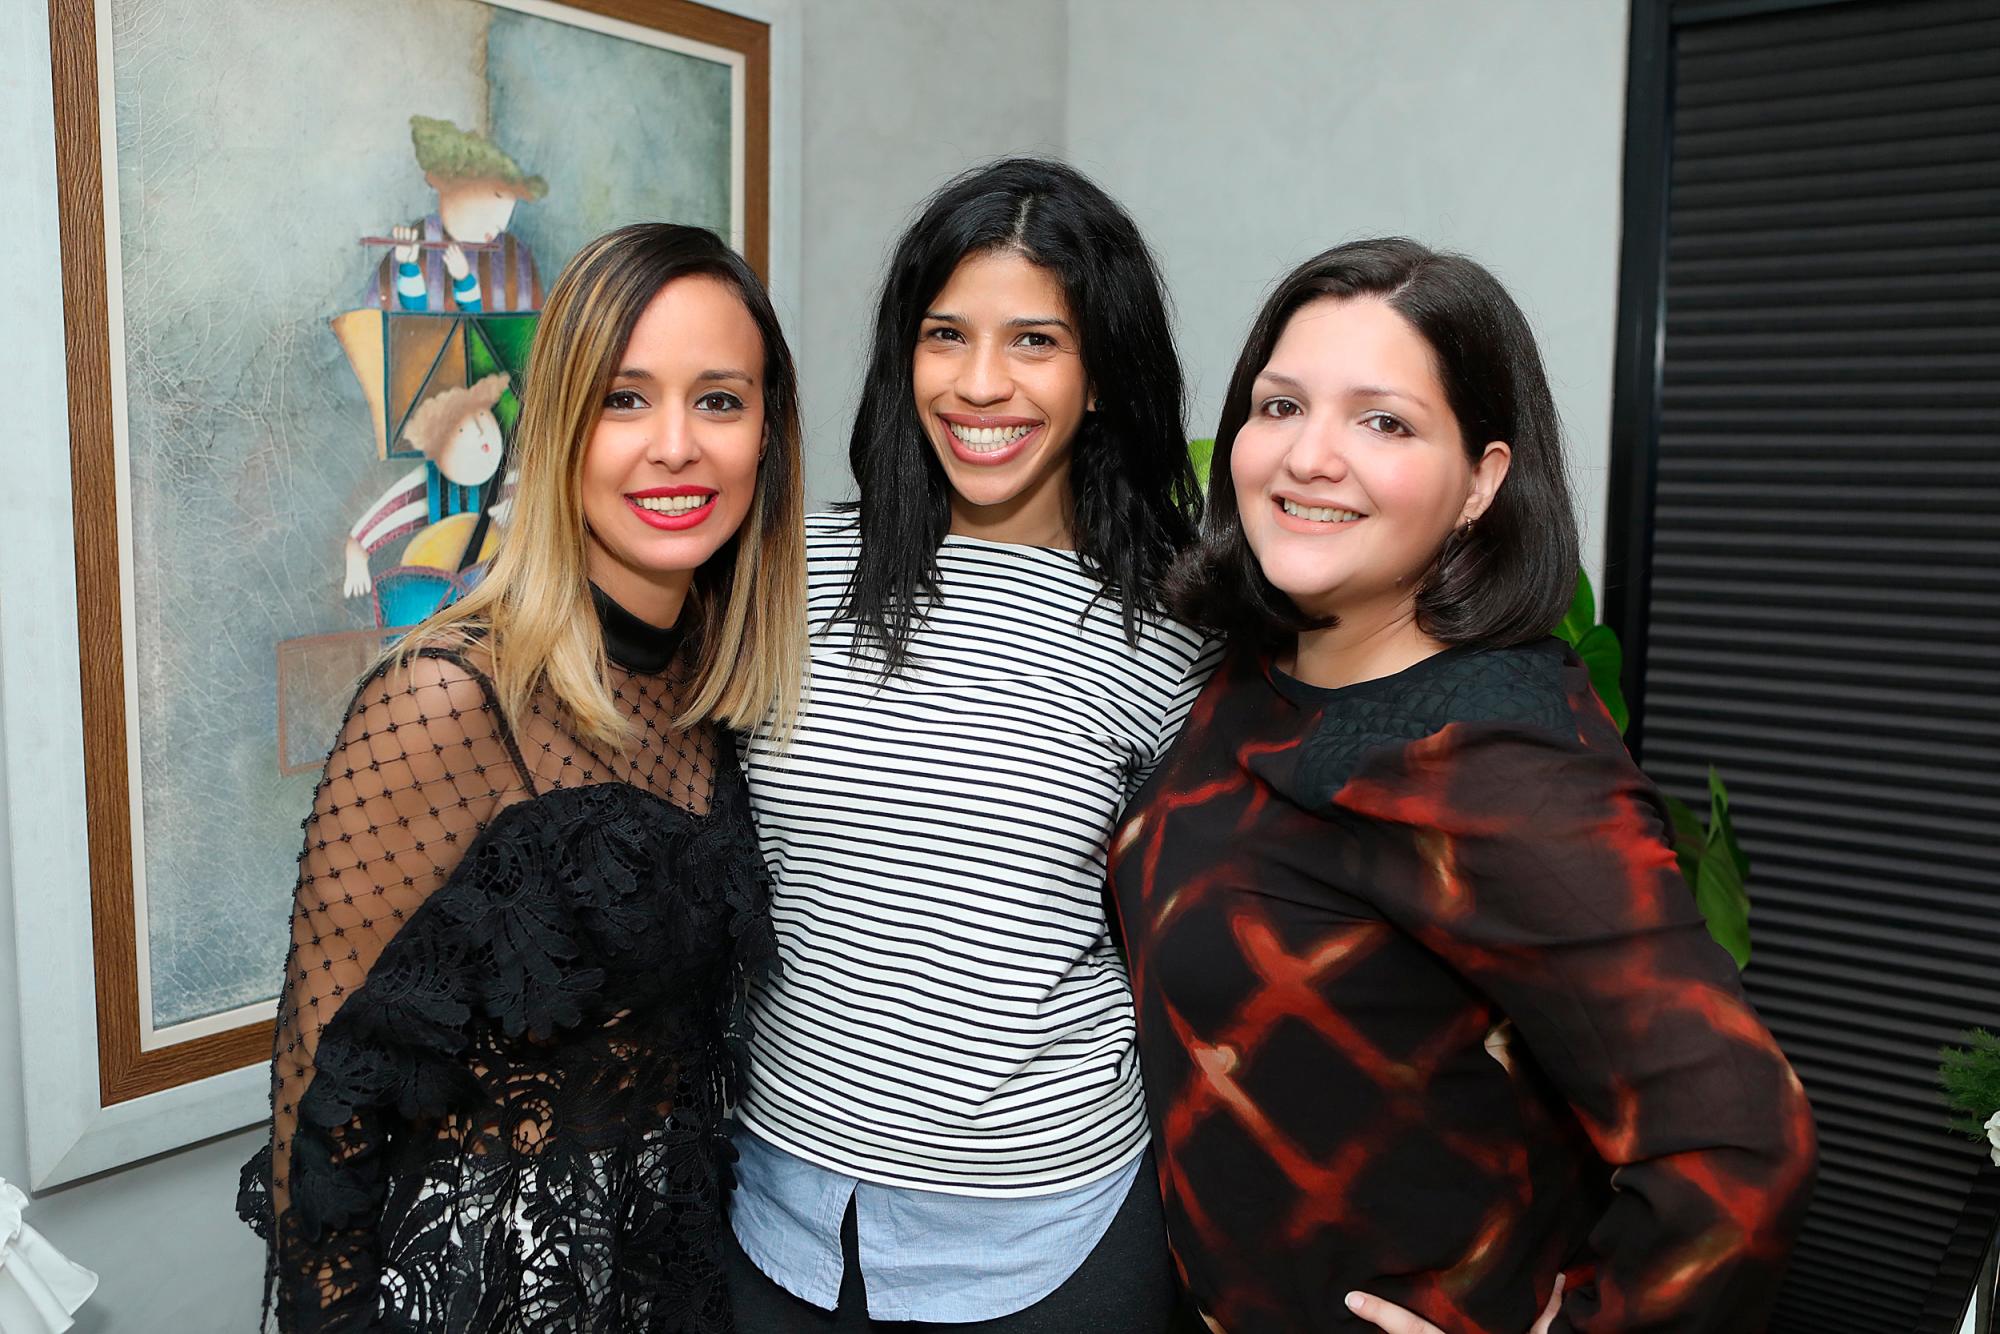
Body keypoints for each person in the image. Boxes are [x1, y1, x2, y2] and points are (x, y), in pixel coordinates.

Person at [1111, 238, 1817, 1334]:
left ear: (1481, 480)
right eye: (1280, 405)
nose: (1309, 456)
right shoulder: (1254, 671)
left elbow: (1739, 1142)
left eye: (1383, 422)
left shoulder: (1494, 758)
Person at [238, 222, 806, 1333]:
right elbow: (321, 1114)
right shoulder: (444, 699)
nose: (676, 446)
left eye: (719, 400)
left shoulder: (715, 683)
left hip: (674, 1287)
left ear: (766, 435)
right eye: (625, 399)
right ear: (559, 428)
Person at [725, 157, 1213, 1331]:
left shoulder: (1173, 632)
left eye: (1034, 340)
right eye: (946, 334)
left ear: (1099, 376)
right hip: (777, 1212)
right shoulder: (785, 569)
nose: (979, 382)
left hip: (1046, 1236)